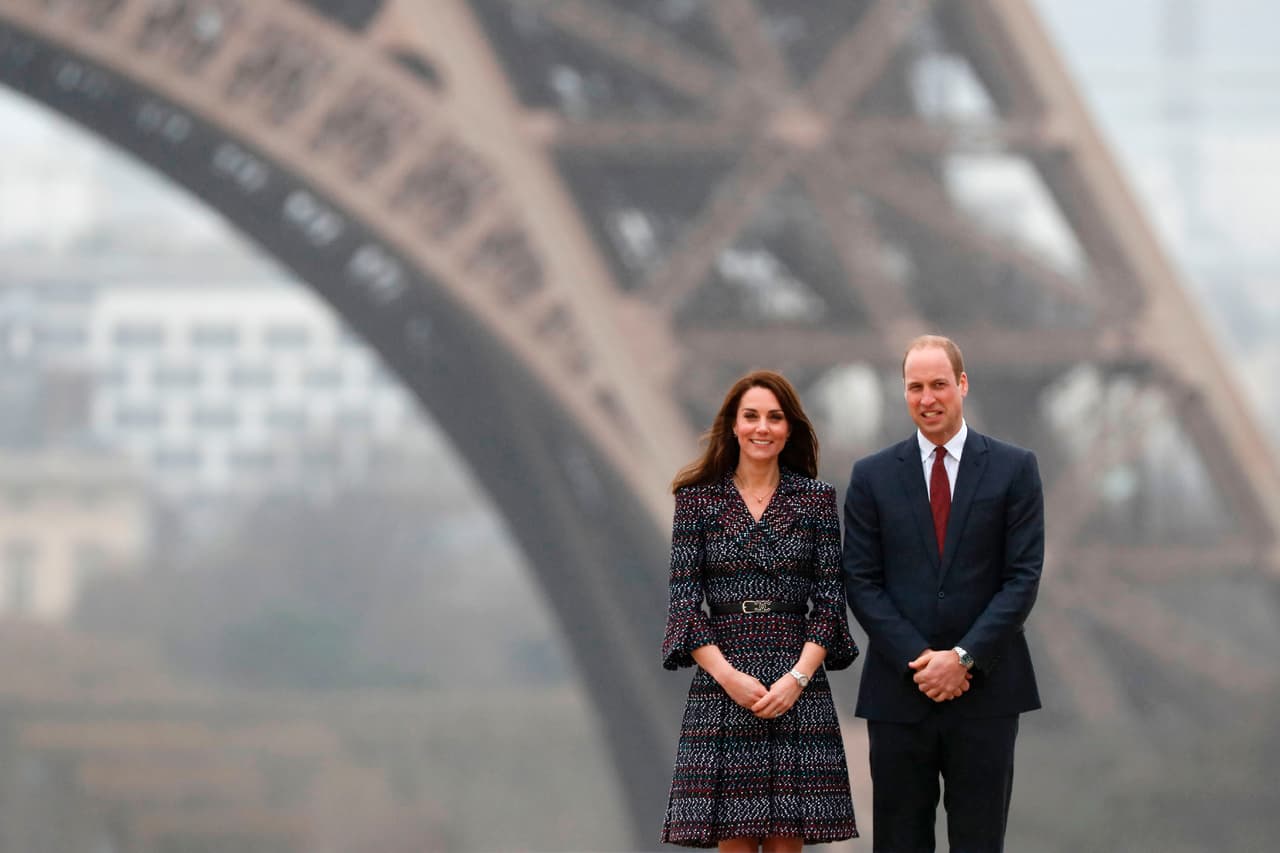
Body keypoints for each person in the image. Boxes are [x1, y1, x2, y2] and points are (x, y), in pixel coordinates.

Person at [842, 335, 1044, 853]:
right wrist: (921, 660)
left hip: (986, 693)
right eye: (915, 387)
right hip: (899, 692)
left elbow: (1022, 577)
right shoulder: (871, 477)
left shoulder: (1015, 468)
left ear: (962, 384)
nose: (927, 398)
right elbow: (861, 581)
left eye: (938, 385)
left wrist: (963, 658)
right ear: (904, 392)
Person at [661, 370, 859, 851]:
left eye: (775, 417)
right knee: (734, 842)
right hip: (723, 684)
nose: (762, 427)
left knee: (788, 842)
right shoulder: (696, 502)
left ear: (790, 428)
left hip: (796, 682)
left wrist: (797, 679)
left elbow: (829, 604)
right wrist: (729, 678)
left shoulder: (816, 501)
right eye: (751, 416)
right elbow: (685, 606)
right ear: (733, 425)